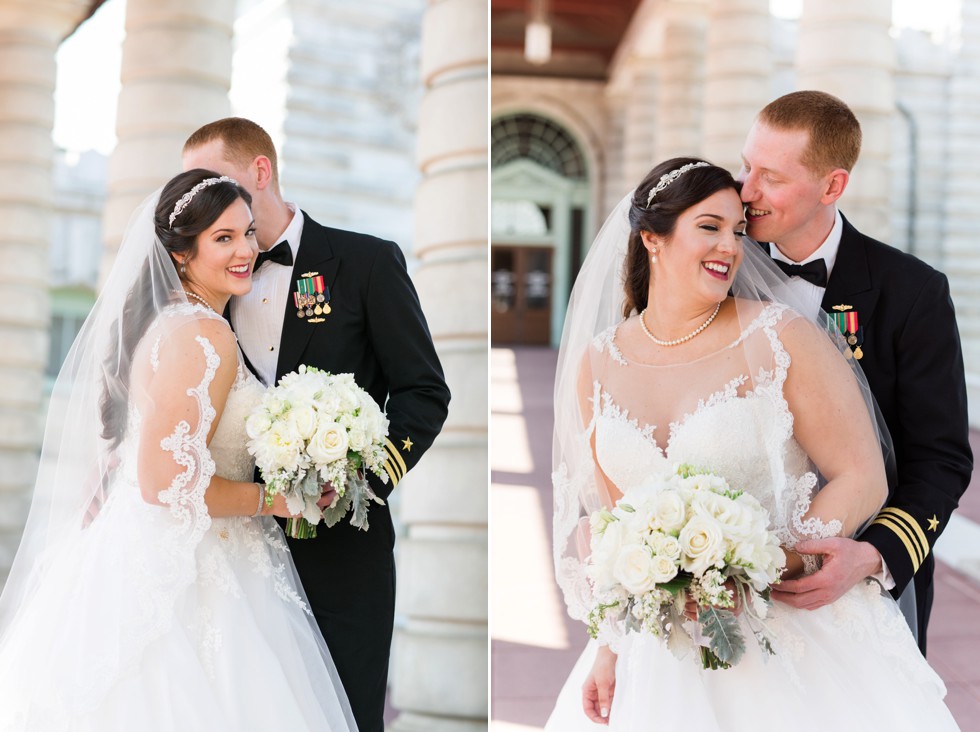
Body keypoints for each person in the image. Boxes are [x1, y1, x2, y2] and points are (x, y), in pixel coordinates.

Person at [546, 158, 959, 730]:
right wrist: (609, 647)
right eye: (710, 227)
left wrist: (762, 568)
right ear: (651, 239)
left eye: (739, 231)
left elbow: (862, 476)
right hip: (660, 652)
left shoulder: (778, 335)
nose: (731, 247)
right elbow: (615, 520)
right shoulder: (597, 362)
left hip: (791, 628)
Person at [0, 170, 357, 729]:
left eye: (246, 233)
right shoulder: (203, 336)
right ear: (182, 255)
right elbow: (166, 483)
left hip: (179, 544)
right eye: (223, 239)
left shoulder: (176, 324)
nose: (245, 251)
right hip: (190, 562)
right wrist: (278, 500)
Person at [182, 118, 451, 732]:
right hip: (230, 554)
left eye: (213, 179)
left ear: (260, 172)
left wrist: (362, 483)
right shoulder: (197, 288)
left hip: (342, 553)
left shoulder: (366, 262)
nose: (203, 199)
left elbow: (424, 392)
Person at [738, 91, 972, 654]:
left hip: (858, 586)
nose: (746, 192)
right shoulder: (718, 268)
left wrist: (872, 556)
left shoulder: (913, 292)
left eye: (771, 176)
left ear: (832, 186)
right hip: (733, 576)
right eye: (745, 166)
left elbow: (941, 459)